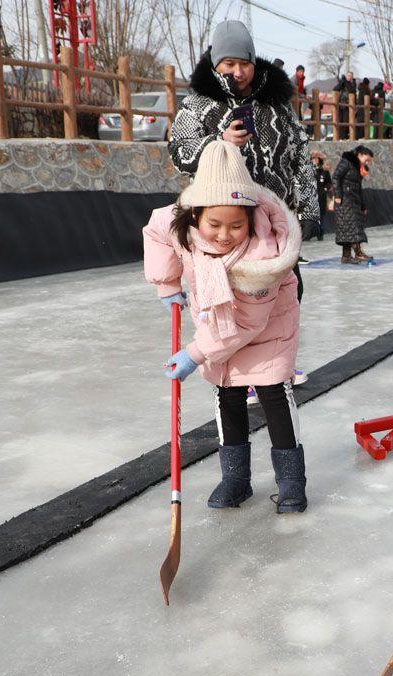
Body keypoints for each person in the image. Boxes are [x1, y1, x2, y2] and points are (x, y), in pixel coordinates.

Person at [143, 141, 308, 514]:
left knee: (274, 399)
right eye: (214, 224)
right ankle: (235, 479)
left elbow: (246, 322)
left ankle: (292, 483)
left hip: (266, 333)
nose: (223, 234)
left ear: (251, 218)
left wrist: (194, 353)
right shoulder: (181, 223)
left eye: (236, 225)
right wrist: (166, 281)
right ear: (195, 213)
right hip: (214, 328)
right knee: (227, 396)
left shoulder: (264, 258)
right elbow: (156, 230)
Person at [168, 21, 318, 283]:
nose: (238, 72)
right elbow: (180, 153)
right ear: (216, 64)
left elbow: (301, 157)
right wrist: (219, 142)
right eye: (229, 64)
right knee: (231, 309)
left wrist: (310, 210)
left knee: (286, 302)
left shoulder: (277, 104)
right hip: (224, 232)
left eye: (244, 64)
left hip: (275, 226)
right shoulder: (196, 104)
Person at [333, 145, 374, 263]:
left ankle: (346, 256)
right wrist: (338, 196)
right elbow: (336, 177)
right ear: (359, 155)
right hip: (345, 200)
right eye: (366, 159)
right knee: (354, 227)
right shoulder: (346, 162)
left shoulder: (357, 167)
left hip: (353, 200)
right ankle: (358, 253)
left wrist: (363, 205)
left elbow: (359, 187)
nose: (367, 162)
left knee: (348, 229)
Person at [310, 150, 331, 241]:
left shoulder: (324, 171)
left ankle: (320, 233)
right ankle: (309, 233)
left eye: (316, 158)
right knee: (310, 215)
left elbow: (329, 182)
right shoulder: (309, 170)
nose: (314, 160)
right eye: (313, 158)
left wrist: (325, 189)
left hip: (321, 196)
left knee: (321, 215)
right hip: (310, 196)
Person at [333, 71, 357, 139]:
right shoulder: (344, 82)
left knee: (346, 121)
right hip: (341, 104)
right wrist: (341, 82)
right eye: (347, 76)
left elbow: (351, 90)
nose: (348, 77)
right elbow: (335, 89)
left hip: (348, 105)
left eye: (350, 76)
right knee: (339, 120)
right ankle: (340, 136)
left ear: (352, 77)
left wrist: (346, 82)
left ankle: (345, 136)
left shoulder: (353, 83)